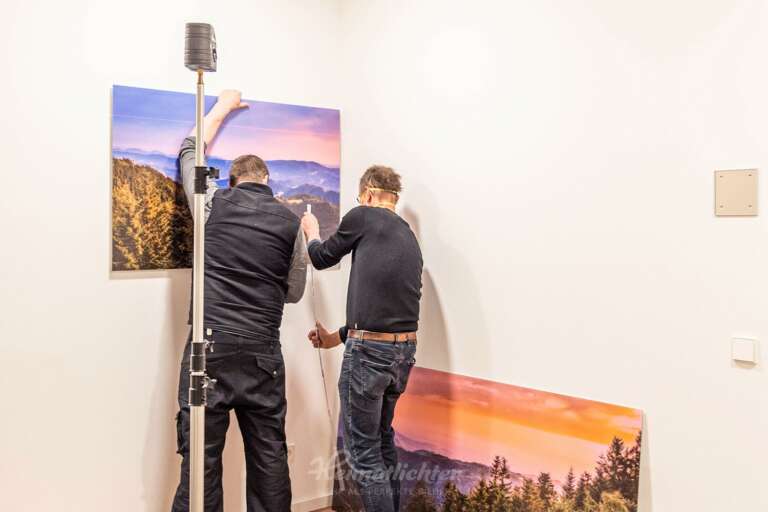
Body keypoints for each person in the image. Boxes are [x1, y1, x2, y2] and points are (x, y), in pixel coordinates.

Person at [171, 90, 306, 512]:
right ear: (268, 182)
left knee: (202, 464)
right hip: (265, 354)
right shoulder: (292, 222)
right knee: (269, 461)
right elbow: (295, 291)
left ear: (231, 181)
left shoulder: (211, 202)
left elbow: (190, 149)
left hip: (209, 351)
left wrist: (223, 107)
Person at [301, 166, 423, 512]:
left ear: (368, 194)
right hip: (402, 352)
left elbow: (321, 258)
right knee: (383, 445)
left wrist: (311, 233)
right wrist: (336, 337)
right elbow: (387, 306)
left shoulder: (363, 216)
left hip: (370, 355)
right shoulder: (406, 234)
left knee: (365, 456)